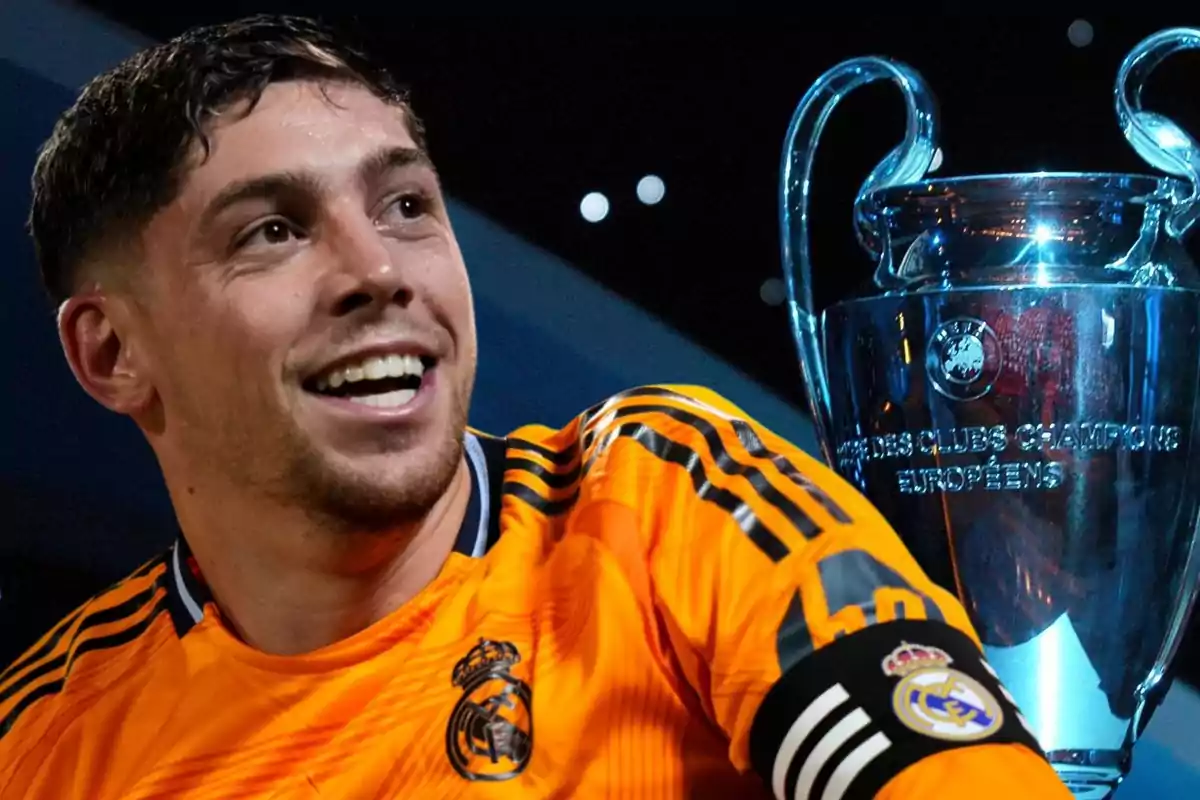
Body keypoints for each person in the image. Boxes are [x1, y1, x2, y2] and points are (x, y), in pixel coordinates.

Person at [0, 14, 1072, 800]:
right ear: (112, 351)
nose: (379, 269)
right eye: (271, 231)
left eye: (406, 204)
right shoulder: (44, 737)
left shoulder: (660, 494)